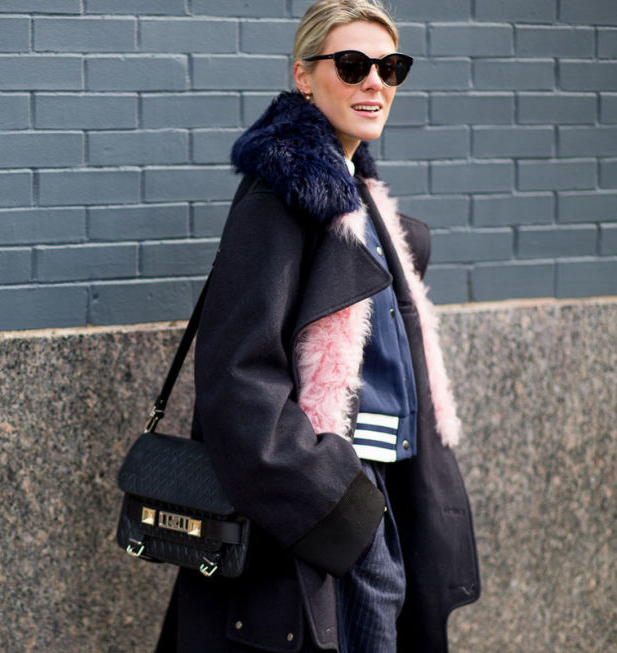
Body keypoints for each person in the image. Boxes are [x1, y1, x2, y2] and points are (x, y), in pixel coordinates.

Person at [155, 1, 480, 651]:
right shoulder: (282, 194)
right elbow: (238, 378)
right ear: (303, 76)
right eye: (353, 64)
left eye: (392, 67)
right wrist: (340, 504)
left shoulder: (362, 198)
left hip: (385, 486)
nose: (375, 83)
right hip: (329, 492)